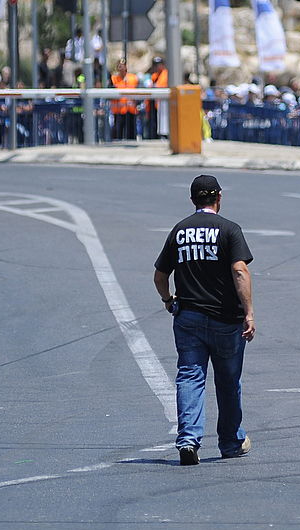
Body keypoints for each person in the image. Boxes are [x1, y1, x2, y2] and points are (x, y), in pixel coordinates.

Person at [153, 174, 255, 465]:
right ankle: (231, 442)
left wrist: (168, 299)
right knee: (228, 381)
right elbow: (239, 271)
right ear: (219, 198)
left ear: (192, 200)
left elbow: (160, 275)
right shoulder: (230, 229)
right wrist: (249, 312)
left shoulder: (180, 230)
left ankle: (188, 440)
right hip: (226, 319)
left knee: (189, 376)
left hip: (189, 317)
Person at [110, 58, 139, 140]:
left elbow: (138, 91)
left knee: (131, 133)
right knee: (118, 133)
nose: (121, 68)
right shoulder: (114, 79)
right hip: (118, 110)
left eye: (123, 66)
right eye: (119, 66)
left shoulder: (133, 78)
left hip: (131, 110)